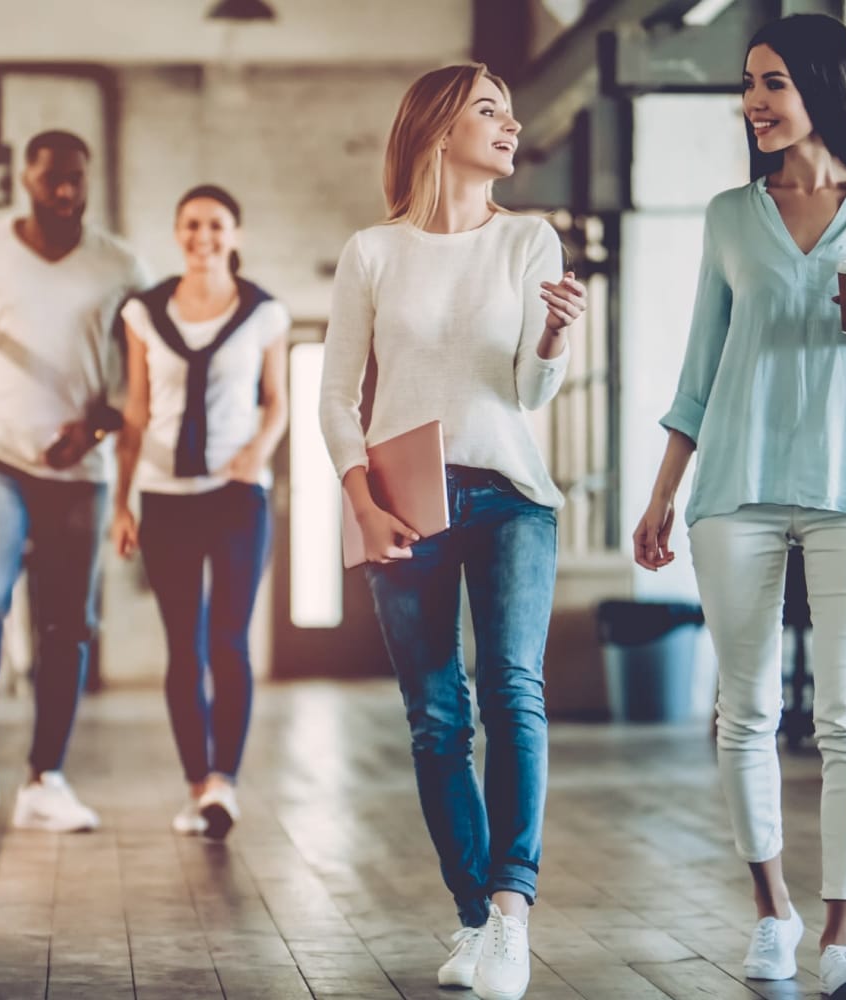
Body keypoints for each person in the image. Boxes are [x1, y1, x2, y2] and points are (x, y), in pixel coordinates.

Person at [632, 14, 846, 998]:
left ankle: (841, 936)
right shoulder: (729, 216)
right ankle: (771, 913)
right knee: (746, 709)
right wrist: (659, 492)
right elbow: (697, 369)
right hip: (733, 490)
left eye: (769, 82)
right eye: (747, 84)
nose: (751, 102)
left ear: (818, 87)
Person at [318, 63, 586, 1000]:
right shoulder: (372, 253)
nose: (511, 126)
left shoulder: (528, 240)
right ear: (437, 125)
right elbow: (337, 395)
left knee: (513, 690)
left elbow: (529, 391)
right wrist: (362, 503)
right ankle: (474, 917)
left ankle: (510, 910)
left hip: (511, 492)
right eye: (489, 110)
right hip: (405, 501)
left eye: (512, 113)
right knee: (437, 718)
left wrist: (555, 337)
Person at [0, 130, 152, 838]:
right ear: (26, 178)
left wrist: (98, 427)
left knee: (68, 628)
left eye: (76, 178)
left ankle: (46, 779)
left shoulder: (121, 266)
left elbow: (142, 378)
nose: (66, 191)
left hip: (81, 468)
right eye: (52, 180)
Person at [109, 185, 290, 841]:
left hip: (239, 496)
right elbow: (134, 411)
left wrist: (257, 451)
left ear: (235, 234)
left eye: (215, 224)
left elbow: (278, 402)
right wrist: (122, 502)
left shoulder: (265, 313)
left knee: (229, 640)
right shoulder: (144, 312)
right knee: (184, 647)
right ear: (177, 232)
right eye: (191, 224)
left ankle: (224, 784)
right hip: (164, 497)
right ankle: (195, 784)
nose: (203, 235)